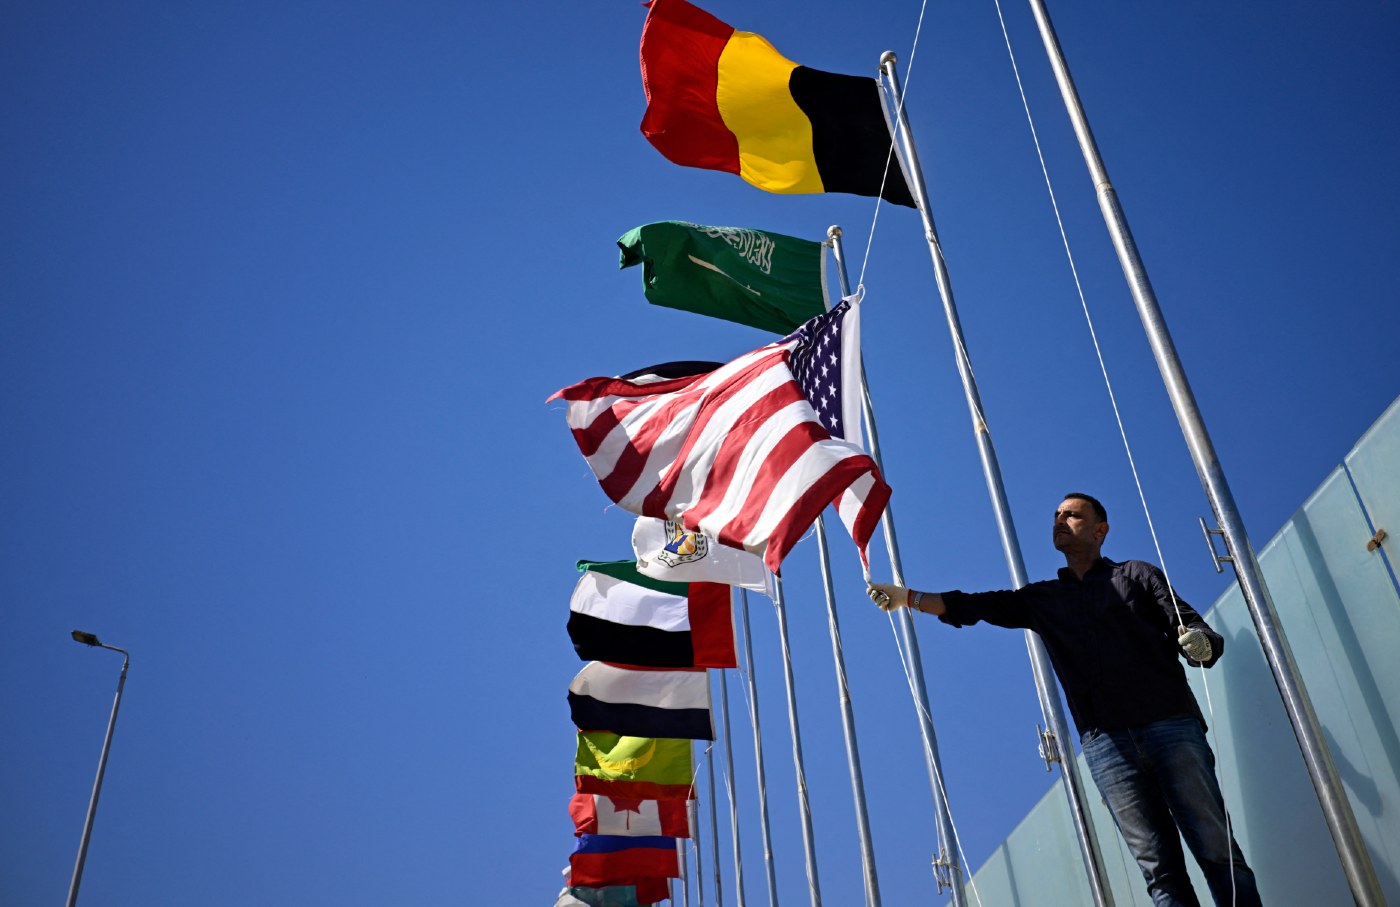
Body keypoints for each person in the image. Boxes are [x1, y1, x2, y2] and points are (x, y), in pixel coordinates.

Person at [868, 492, 1261, 907]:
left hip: (1169, 724)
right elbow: (976, 605)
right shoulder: (1043, 599)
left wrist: (1201, 644)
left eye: (1072, 515)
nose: (1059, 520)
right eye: (1056, 515)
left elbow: (1190, 626)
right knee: (1160, 874)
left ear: (1100, 529)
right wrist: (906, 598)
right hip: (1106, 746)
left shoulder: (1137, 575)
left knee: (1217, 851)